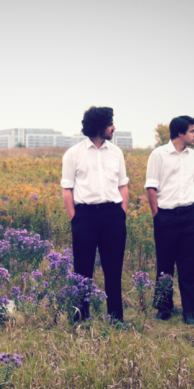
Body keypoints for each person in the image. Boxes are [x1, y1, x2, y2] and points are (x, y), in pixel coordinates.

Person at [61, 106, 129, 323]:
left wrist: (121, 214)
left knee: (114, 269)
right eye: (110, 124)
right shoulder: (73, 154)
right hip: (85, 217)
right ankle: (81, 316)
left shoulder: (116, 152)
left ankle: (115, 318)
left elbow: (123, 186)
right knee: (82, 270)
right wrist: (76, 219)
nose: (114, 128)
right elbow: (67, 190)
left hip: (112, 216)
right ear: (100, 126)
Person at [145, 116, 194, 325]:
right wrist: (157, 215)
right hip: (166, 217)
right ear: (180, 133)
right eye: (191, 131)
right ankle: (164, 308)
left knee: (189, 264)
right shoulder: (158, 154)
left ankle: (190, 310)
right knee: (165, 265)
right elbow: (151, 186)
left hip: (191, 216)